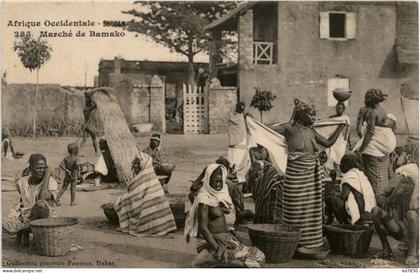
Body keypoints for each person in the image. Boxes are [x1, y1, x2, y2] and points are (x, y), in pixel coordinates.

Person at [274, 100, 345, 249]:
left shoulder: (311, 131)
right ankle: (295, 242)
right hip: (296, 176)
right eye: (311, 114)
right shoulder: (289, 128)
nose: (314, 117)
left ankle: (309, 241)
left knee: (311, 210)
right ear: (301, 114)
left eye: (314, 115)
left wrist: (341, 127)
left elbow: (328, 143)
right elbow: (267, 131)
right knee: (295, 208)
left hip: (311, 177)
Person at [185, 163, 265, 268]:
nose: (218, 184)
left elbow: (227, 212)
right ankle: (208, 257)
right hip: (211, 242)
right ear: (208, 181)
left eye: (220, 181)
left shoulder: (221, 194)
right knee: (252, 265)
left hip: (224, 238)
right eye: (215, 181)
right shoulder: (204, 199)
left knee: (260, 256)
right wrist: (219, 249)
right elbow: (203, 229)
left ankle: (214, 261)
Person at [114, 151, 177, 237]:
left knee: (124, 199)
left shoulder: (143, 176)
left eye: (137, 164)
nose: (135, 166)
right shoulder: (150, 175)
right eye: (134, 164)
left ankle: (130, 223)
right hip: (151, 204)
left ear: (143, 165)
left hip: (145, 205)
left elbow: (135, 193)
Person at [2, 154, 58, 247]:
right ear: (31, 168)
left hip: (44, 217)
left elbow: (43, 197)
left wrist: (47, 175)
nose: (42, 171)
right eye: (39, 168)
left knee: (40, 205)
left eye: (44, 168)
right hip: (26, 215)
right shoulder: (22, 182)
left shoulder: (50, 181)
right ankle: (22, 233)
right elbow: (20, 203)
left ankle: (29, 232)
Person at [353, 89, 397, 208]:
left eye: (367, 99)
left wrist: (361, 150)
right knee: (382, 182)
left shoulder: (373, 113)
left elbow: (369, 133)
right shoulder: (383, 111)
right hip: (382, 152)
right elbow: (390, 126)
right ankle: (385, 210)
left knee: (376, 186)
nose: (365, 101)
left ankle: (379, 211)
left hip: (374, 152)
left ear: (372, 100)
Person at [371, 163, 418, 265]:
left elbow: (413, 216)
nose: (404, 183)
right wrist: (391, 197)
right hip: (401, 231)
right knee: (375, 211)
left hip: (415, 234)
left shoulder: (415, 193)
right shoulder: (397, 184)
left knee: (411, 214)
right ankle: (386, 249)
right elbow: (379, 197)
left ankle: (412, 253)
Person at [188, 157, 242, 227]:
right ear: (228, 170)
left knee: (194, 195)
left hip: (217, 217)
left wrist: (204, 173)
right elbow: (238, 205)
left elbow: (192, 188)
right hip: (227, 218)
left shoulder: (211, 184)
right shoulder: (230, 184)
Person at [325, 153, 376, 225]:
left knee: (331, 199)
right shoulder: (360, 174)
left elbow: (343, 196)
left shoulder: (350, 176)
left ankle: (345, 223)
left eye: (342, 163)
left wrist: (332, 193)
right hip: (368, 210)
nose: (340, 166)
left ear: (348, 165)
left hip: (359, 212)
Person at [227, 102, 249, 192]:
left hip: (239, 143)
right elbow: (235, 125)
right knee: (236, 164)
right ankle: (235, 185)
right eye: (241, 109)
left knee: (240, 164)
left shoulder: (236, 116)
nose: (241, 110)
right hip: (237, 144)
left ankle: (239, 185)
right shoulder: (236, 117)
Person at [81, 91, 99, 156]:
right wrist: (91, 98)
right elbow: (96, 105)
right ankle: (96, 153)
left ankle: (80, 153)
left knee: (84, 140)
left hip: (85, 125)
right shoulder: (89, 108)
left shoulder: (85, 109)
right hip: (90, 125)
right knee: (94, 140)